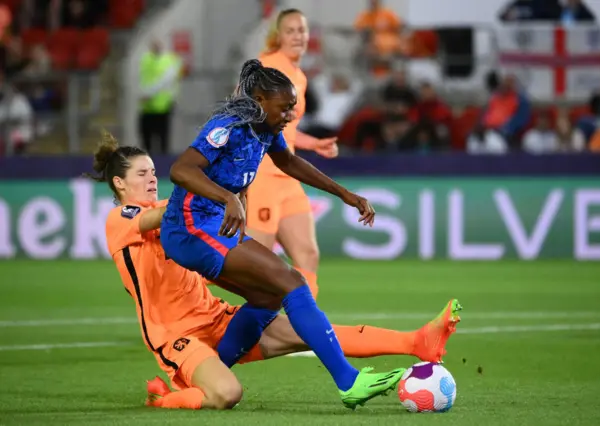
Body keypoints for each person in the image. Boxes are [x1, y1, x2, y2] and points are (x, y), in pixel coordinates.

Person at [88, 132, 463, 410]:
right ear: (119, 183)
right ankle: (165, 397)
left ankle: (416, 342)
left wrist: (232, 187)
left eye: (153, 171)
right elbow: (161, 213)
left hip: (217, 318)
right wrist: (210, 186)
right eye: (141, 174)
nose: (151, 178)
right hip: (176, 336)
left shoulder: (181, 211)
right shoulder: (120, 219)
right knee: (226, 395)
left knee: (309, 329)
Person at [160, 58, 416, 409]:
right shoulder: (227, 126)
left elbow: (289, 162)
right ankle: (349, 381)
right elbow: (180, 169)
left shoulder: (266, 129)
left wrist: (345, 194)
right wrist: (227, 198)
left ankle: (206, 377)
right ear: (261, 101)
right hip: (189, 229)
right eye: (285, 107)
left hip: (214, 227)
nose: (291, 115)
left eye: (293, 107)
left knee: (268, 297)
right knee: (292, 282)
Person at [248, 9, 338, 300]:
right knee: (254, 265)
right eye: (291, 30)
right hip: (262, 174)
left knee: (307, 254)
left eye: (302, 30)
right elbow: (242, 115)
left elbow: (285, 130)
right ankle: (182, 277)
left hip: (287, 174)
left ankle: (305, 329)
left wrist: (313, 144)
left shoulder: (298, 76)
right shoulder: (265, 68)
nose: (298, 36)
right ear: (279, 35)